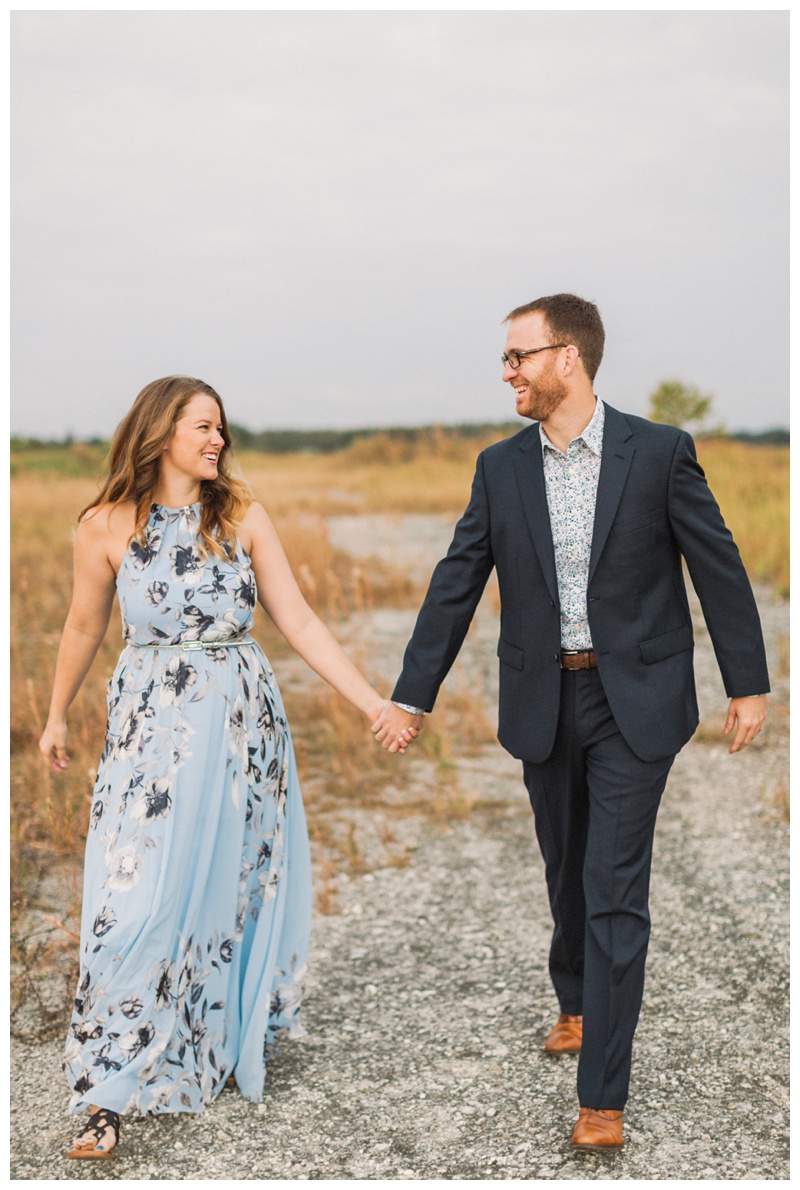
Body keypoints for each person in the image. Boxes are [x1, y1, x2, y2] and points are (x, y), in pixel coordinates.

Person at [372, 294, 769, 1152]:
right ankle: (577, 1001)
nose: (507, 371)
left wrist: (749, 682)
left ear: (568, 359)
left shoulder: (659, 452)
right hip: (544, 700)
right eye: (507, 358)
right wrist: (412, 694)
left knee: (615, 889)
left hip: (638, 703)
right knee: (566, 869)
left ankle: (603, 1098)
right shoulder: (500, 467)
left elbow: (719, 564)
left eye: (519, 356)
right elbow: (457, 580)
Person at [39, 376, 415, 1159]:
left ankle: (203, 1043)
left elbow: (300, 620)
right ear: (160, 432)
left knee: (224, 889)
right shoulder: (104, 525)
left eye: (221, 429)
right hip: (149, 733)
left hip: (241, 727)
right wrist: (51, 717)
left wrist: (371, 702)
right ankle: (106, 1091)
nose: (218, 441)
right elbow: (81, 626)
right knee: (129, 899)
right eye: (203, 427)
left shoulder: (241, 516)